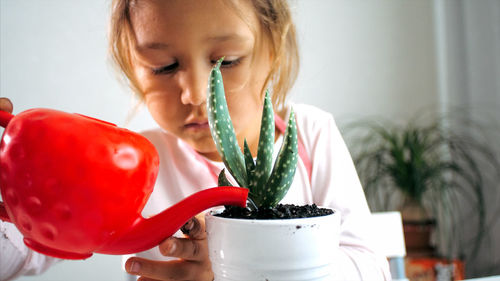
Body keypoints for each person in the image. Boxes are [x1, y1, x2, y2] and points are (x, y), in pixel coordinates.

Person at [0, 0, 391, 280]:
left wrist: (242, 267)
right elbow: (16, 255)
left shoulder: (311, 135)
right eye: (163, 67)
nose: (196, 94)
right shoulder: (128, 165)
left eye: (227, 61)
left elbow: (372, 269)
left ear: (272, 49)